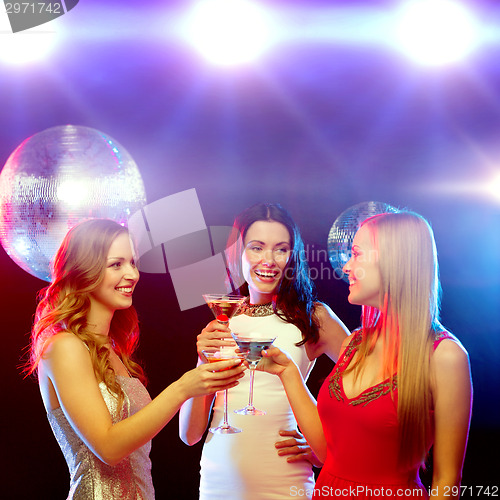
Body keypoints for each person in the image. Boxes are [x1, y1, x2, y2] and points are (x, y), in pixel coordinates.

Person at [25, 218, 245, 499]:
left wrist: (202, 366)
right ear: (83, 271)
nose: (132, 274)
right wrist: (182, 388)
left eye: (132, 262)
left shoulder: (114, 348)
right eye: (116, 264)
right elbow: (109, 448)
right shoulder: (64, 346)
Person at [258, 211, 473, 499]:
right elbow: (329, 453)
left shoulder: (445, 356)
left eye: (357, 254)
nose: (346, 267)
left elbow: (447, 480)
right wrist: (289, 374)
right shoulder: (354, 344)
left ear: (394, 261)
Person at [179, 203, 350, 499]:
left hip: (285, 482)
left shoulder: (313, 317)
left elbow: (369, 391)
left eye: (281, 249)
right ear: (237, 253)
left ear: (292, 256)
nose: (268, 260)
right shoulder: (223, 319)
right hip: (218, 482)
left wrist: (326, 448)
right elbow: (190, 434)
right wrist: (200, 360)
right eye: (257, 248)